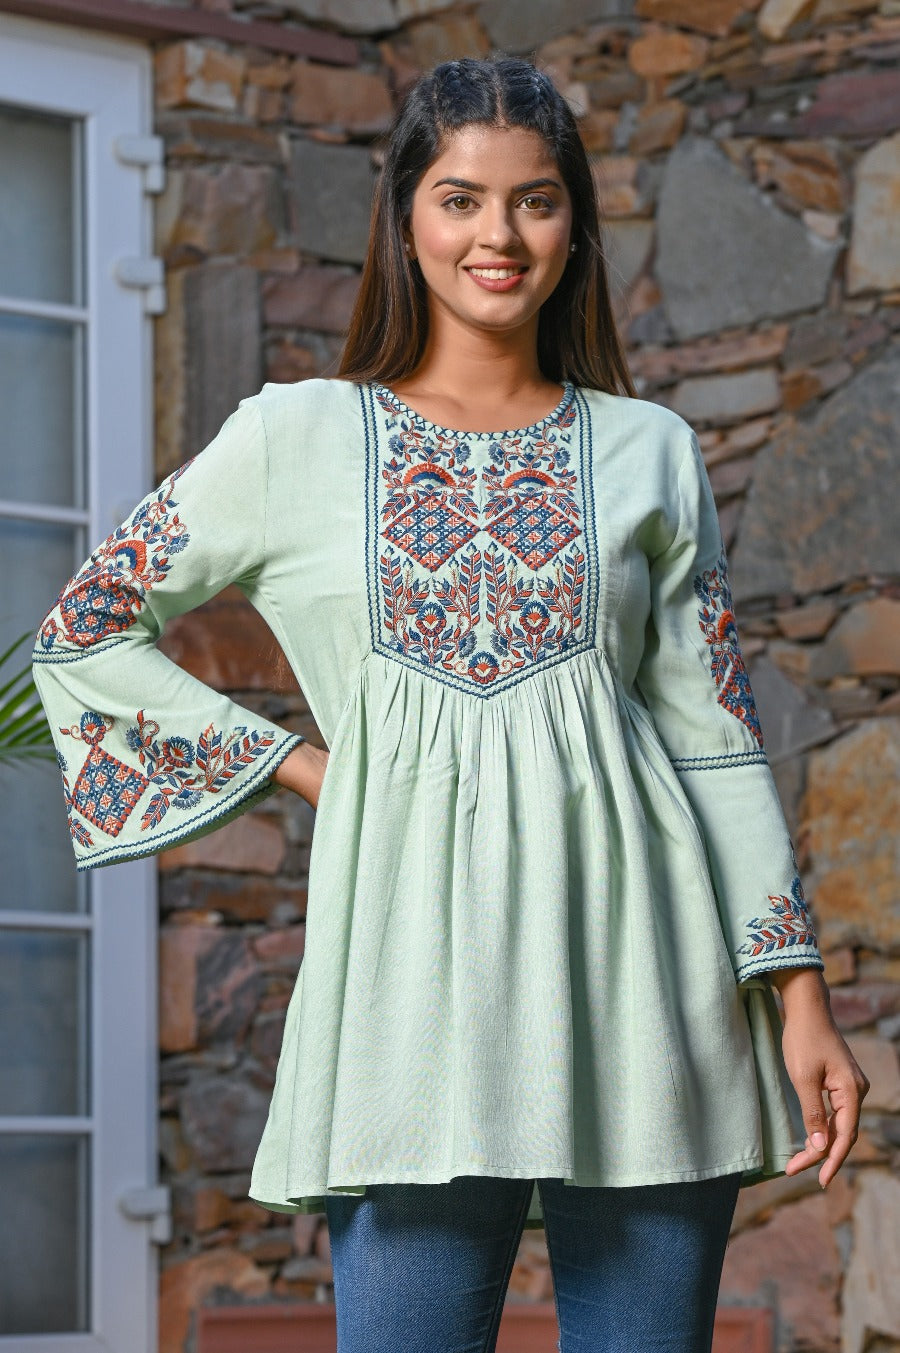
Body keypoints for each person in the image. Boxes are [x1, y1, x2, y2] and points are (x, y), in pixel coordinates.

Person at [33, 54, 868, 1353]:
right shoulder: (293, 438)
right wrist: (304, 769)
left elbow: (714, 734)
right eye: (461, 198)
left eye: (536, 201)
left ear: (574, 225)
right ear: (406, 216)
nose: (499, 236)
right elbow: (84, 629)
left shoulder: (650, 452)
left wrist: (798, 990)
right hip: (405, 995)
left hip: (653, 983)